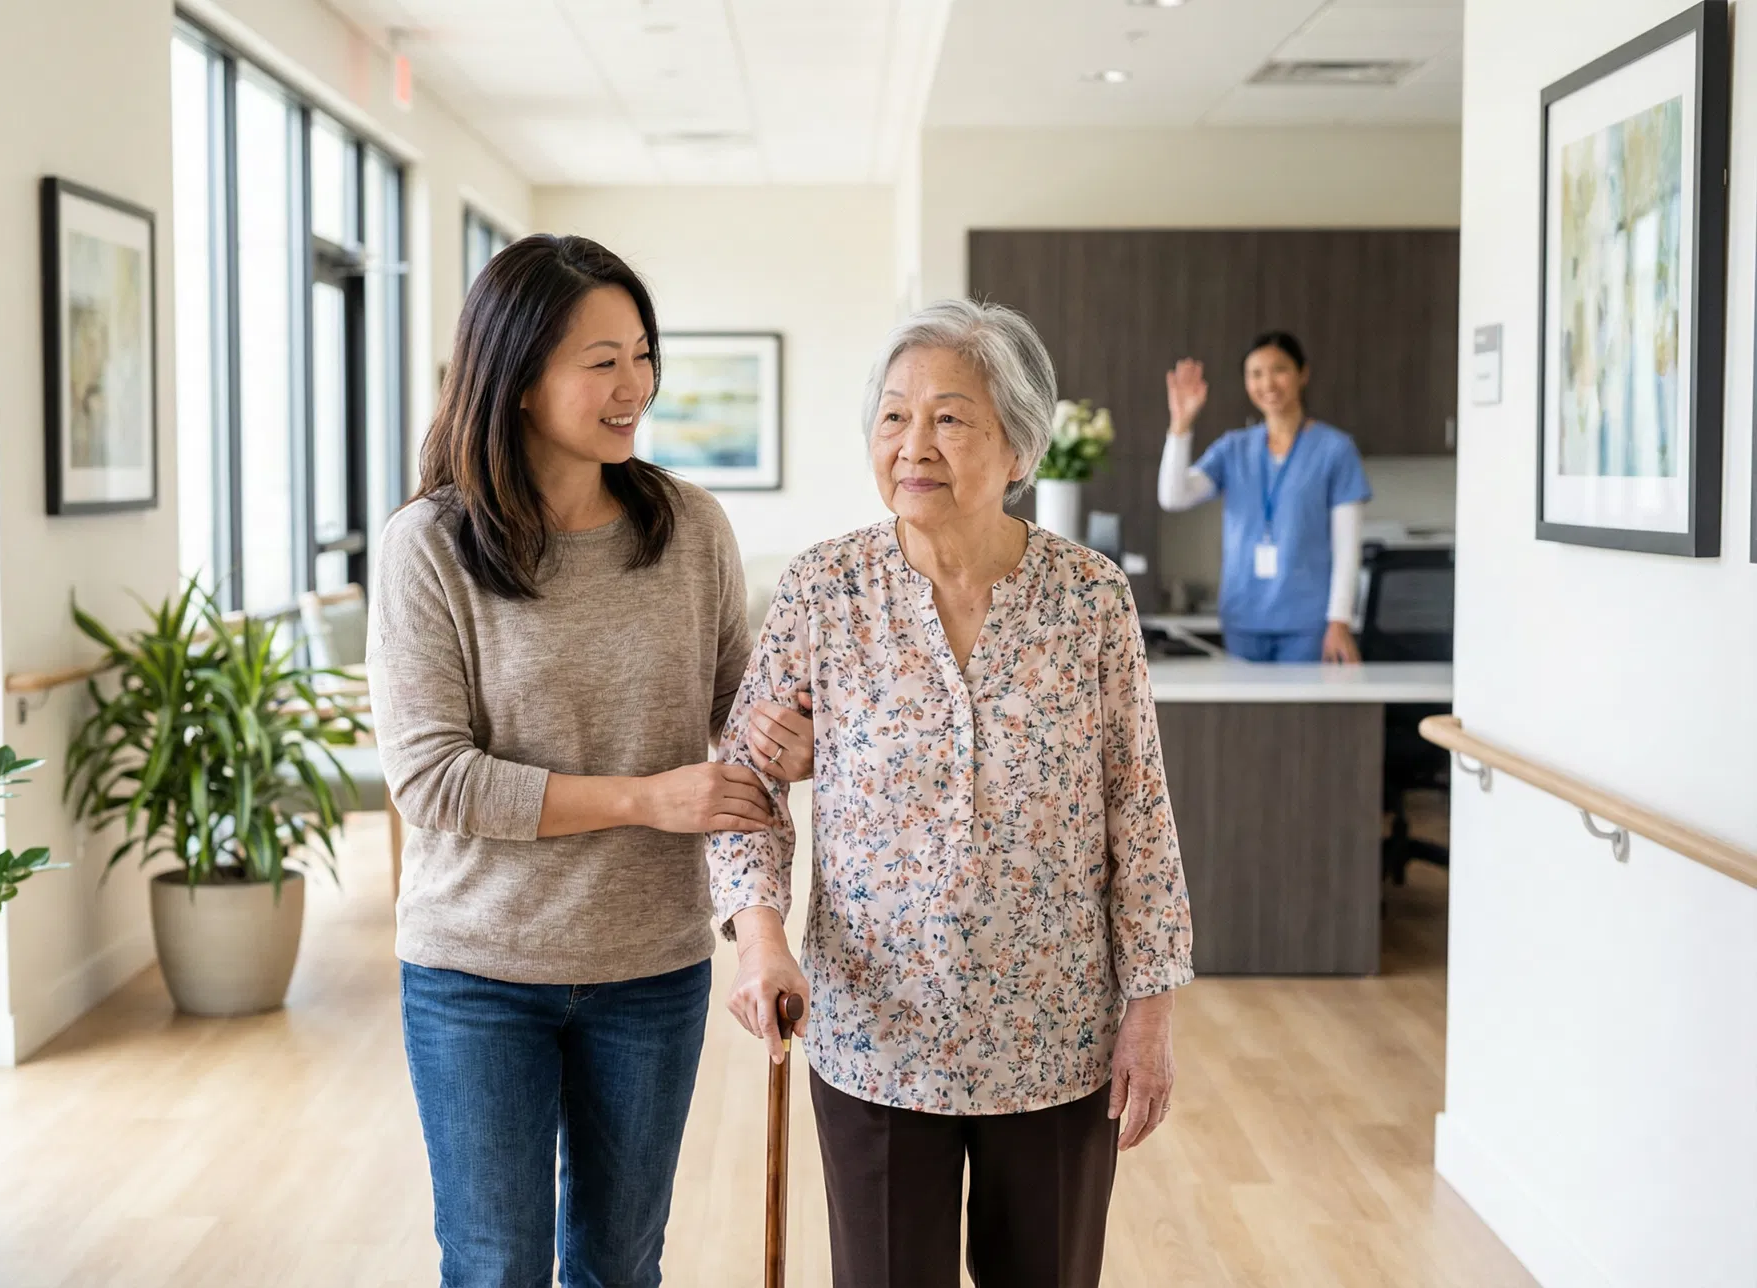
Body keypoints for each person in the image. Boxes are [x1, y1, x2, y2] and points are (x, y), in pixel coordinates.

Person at [709, 298, 1194, 1288]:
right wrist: (761, 937)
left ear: (1020, 448)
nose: (912, 444)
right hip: (880, 1037)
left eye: (948, 417)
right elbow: (744, 787)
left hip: (1057, 1038)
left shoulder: (1091, 598)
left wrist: (1150, 1010)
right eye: (893, 417)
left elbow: (1138, 811)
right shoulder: (825, 589)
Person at [367, 234, 808, 1288]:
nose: (635, 386)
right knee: (495, 1265)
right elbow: (431, 779)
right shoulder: (428, 546)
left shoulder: (690, 529)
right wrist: (649, 799)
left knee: (619, 1265)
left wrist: (786, 744)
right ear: (517, 378)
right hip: (477, 969)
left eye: (644, 354)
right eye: (601, 360)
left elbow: (736, 728)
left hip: (649, 968)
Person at [1156, 332, 1371, 664]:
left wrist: (1339, 620)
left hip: (1308, 623)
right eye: (1255, 374)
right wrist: (1180, 423)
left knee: (1300, 716)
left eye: (1279, 370)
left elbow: (1347, 546)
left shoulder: (1335, 450)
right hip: (1243, 618)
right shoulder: (1233, 448)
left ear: (1303, 373)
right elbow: (1173, 496)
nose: (1267, 382)